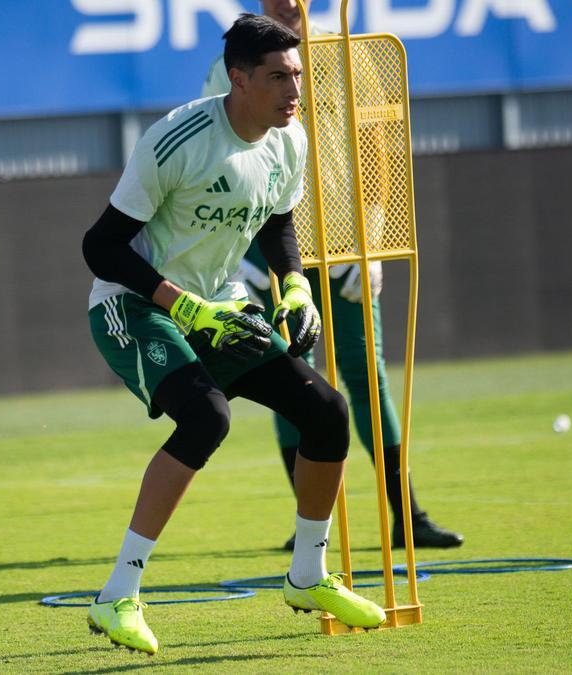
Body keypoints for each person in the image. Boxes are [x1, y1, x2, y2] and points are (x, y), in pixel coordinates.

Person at [81, 14, 387, 654]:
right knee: (207, 420)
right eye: (278, 77)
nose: (293, 90)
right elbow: (100, 246)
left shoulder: (290, 138)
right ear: (238, 78)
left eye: (297, 75)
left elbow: (277, 222)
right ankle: (117, 597)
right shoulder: (178, 137)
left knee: (326, 410)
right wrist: (183, 307)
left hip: (218, 304)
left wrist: (296, 285)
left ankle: (307, 576)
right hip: (135, 305)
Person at [202, 0, 462, 551]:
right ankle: (310, 529)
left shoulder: (348, 54)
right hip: (271, 249)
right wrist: (240, 250)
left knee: (369, 377)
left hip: (344, 243)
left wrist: (371, 236)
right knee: (286, 380)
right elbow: (218, 161)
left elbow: (377, 149)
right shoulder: (230, 65)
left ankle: (407, 514)